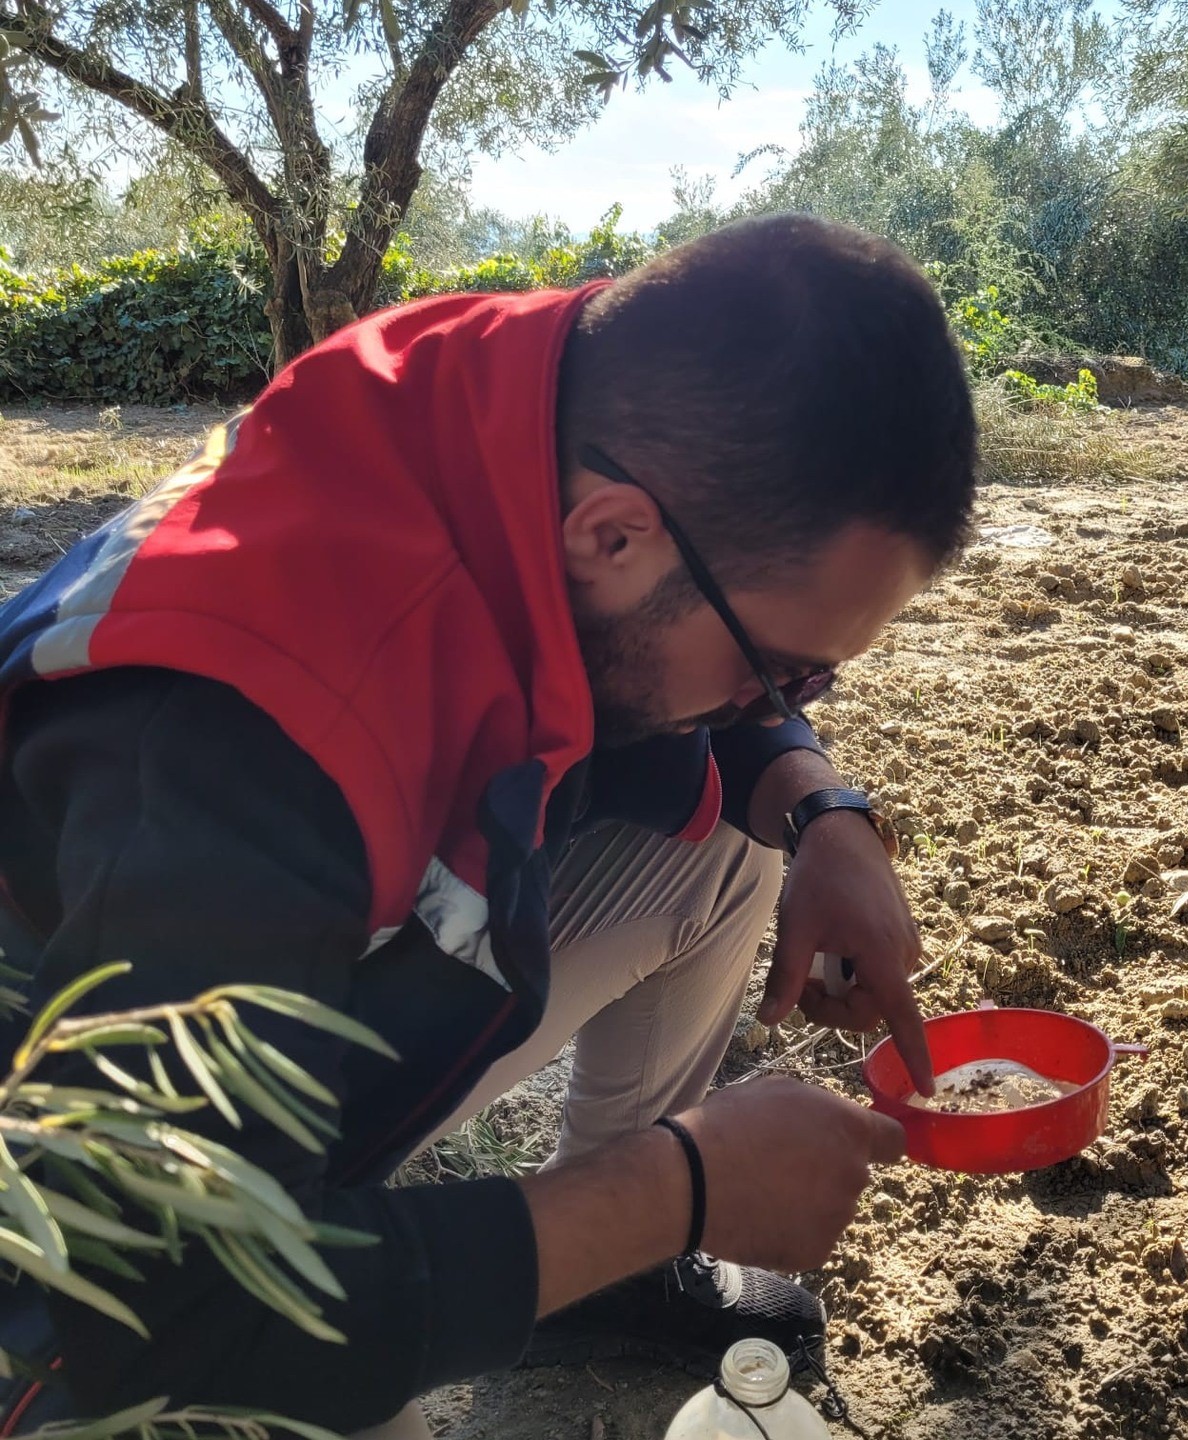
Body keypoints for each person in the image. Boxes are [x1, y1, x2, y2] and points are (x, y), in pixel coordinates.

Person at [0, 213, 977, 1436]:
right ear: (612, 533)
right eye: (775, 670)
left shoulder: (535, 402)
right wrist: (674, 1189)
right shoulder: (248, 736)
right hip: (67, 1208)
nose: (776, 705)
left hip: (256, 1002)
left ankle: (592, 1275)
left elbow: (680, 673)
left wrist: (823, 810)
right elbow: (152, 1312)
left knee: (730, 852)